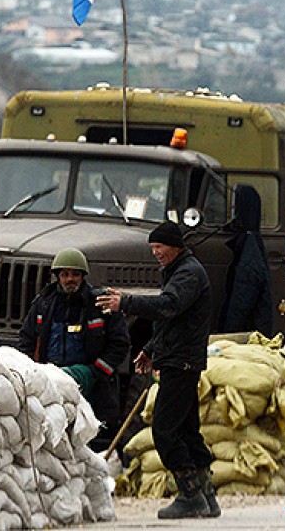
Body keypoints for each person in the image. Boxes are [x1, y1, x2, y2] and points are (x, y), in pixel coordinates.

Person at [98, 221, 219, 519]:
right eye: (152, 248)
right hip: (177, 358)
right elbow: (172, 322)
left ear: (176, 246)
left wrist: (125, 302)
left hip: (182, 362)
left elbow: (168, 306)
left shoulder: (188, 273)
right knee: (188, 429)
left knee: (165, 430)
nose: (156, 253)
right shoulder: (179, 272)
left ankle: (190, 494)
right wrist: (151, 350)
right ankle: (206, 496)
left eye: (160, 247)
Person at [18, 248, 130, 447]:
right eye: (65, 274)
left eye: (75, 274)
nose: (70, 279)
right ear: (57, 276)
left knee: (89, 438)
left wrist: (95, 372)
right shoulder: (43, 304)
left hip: (91, 385)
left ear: (83, 277)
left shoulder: (99, 304)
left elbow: (120, 343)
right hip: (52, 382)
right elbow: (27, 338)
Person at [219, 185, 275, 336]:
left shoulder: (248, 250)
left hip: (248, 332)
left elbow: (242, 300)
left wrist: (230, 332)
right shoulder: (253, 242)